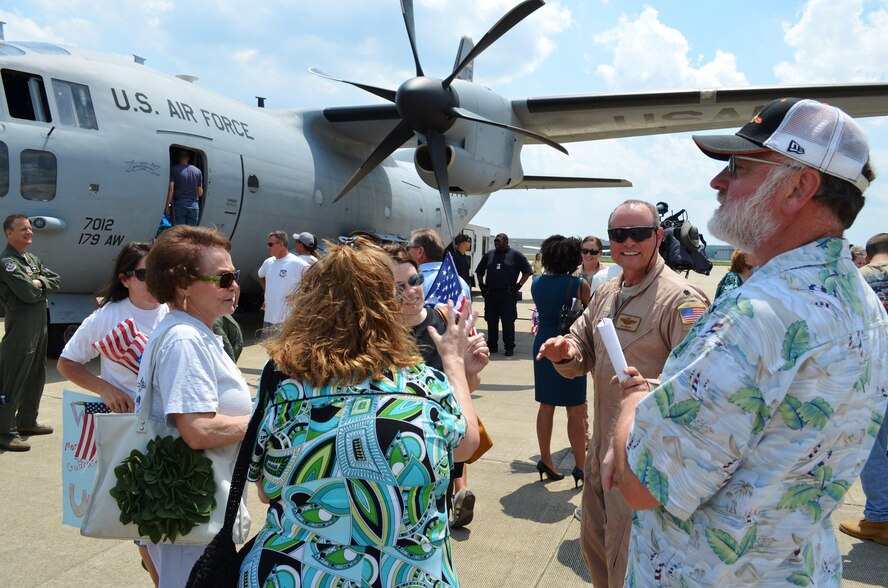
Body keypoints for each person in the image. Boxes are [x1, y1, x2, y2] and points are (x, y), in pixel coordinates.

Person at [602, 98, 887, 585]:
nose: (718, 182)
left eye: (737, 167)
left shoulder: (755, 317)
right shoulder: (862, 303)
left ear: (799, 187)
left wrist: (633, 404)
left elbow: (639, 485)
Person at [238, 238, 479, 586]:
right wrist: (455, 364)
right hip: (405, 575)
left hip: (292, 572)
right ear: (385, 307)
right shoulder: (425, 386)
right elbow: (466, 445)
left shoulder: (282, 383)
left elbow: (265, 490)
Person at [536, 200, 708, 588]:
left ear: (658, 237)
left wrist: (649, 388)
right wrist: (565, 350)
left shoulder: (681, 300)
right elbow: (581, 342)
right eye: (618, 235)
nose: (628, 242)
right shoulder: (607, 292)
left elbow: (701, 385)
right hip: (601, 449)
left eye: (639, 233)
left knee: (630, 558)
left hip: (645, 459)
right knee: (596, 546)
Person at [139, 225, 252, 587]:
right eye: (223, 278)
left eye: (234, 276)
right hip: (191, 513)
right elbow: (197, 430)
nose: (234, 285)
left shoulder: (191, 331)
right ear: (183, 285)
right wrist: (265, 420)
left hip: (189, 509)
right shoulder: (186, 339)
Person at [57, 241, 167, 584]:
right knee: (145, 517)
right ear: (125, 278)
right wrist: (106, 388)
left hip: (174, 425)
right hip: (131, 431)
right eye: (144, 274)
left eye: (159, 273)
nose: (153, 281)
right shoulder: (106, 318)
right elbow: (66, 363)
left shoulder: (175, 311)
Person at [385, 243, 490, 529]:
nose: (410, 292)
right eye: (397, 288)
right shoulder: (378, 336)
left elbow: (467, 390)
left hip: (437, 450)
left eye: (415, 281)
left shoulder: (444, 323)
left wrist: (469, 370)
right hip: (389, 455)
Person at [839, 232, 888, 545]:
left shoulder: (858, 280)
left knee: (871, 447)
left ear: (868, 256)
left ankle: (880, 517)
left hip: (873, 373)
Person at [531, 235, 590, 485]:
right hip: (568, 345)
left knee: (546, 405)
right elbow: (590, 313)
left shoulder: (536, 282)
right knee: (575, 409)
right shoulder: (579, 284)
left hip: (543, 342)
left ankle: (546, 460)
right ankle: (581, 466)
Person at [0, 214, 61, 452]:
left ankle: (27, 422)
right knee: (13, 378)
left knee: (36, 374)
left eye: (29, 228)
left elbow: (56, 280)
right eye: (23, 229)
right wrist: (38, 284)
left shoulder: (32, 259)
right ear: (9, 233)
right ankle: (6, 431)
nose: (29, 232)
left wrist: (38, 281)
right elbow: (28, 294)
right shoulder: (8, 262)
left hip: (39, 323)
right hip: (21, 327)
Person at [475, 233, 532, 356]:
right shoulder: (489, 255)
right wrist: (481, 286)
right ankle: (492, 346)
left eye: (498, 241)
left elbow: (527, 271)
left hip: (507, 294)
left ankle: (509, 347)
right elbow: (479, 271)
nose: (496, 243)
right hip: (491, 294)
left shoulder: (515, 255)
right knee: (491, 321)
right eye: (495, 241)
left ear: (506, 242)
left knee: (508, 322)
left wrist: (519, 285)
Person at [257, 231, 309, 335]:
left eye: (270, 244)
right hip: (268, 318)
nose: (268, 247)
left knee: (282, 351)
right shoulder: (268, 262)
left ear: (281, 245)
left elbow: (315, 282)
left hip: (285, 320)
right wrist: (267, 293)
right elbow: (260, 276)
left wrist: (300, 298)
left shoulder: (298, 263)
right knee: (269, 350)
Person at [407, 228, 471, 300]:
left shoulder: (411, 285)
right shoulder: (462, 285)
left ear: (420, 251)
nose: (406, 252)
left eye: (408, 248)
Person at [165, 150, 203, 226]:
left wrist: (167, 207)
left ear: (178, 158)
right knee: (191, 234)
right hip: (194, 206)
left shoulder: (174, 169)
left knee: (179, 233)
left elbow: (171, 189)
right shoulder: (198, 172)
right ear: (188, 158)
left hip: (179, 204)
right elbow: (200, 193)